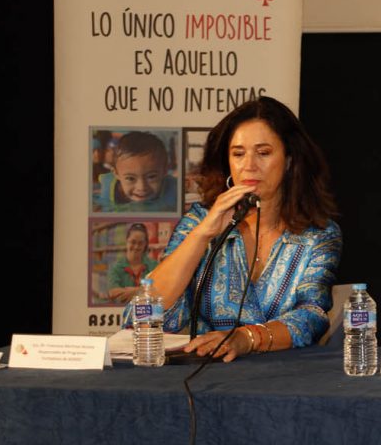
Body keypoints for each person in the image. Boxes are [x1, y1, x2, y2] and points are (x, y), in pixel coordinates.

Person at [133, 96, 341, 362]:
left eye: (263, 153)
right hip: (207, 372)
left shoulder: (319, 234)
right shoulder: (199, 221)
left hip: (287, 374)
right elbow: (146, 312)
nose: (249, 166)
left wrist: (247, 338)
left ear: (289, 160)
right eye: (238, 154)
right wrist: (203, 234)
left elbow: (312, 316)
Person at [95, 130, 178, 212]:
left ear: (164, 170)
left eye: (151, 177)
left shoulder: (173, 188)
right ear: (116, 173)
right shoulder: (109, 189)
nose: (141, 187)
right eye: (130, 178)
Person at [107, 223, 159, 304]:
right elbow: (113, 293)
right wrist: (145, 291)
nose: (136, 246)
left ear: (145, 244)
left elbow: (160, 290)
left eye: (140, 243)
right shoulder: (115, 267)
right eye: (133, 242)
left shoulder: (154, 266)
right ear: (126, 241)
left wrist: (133, 291)